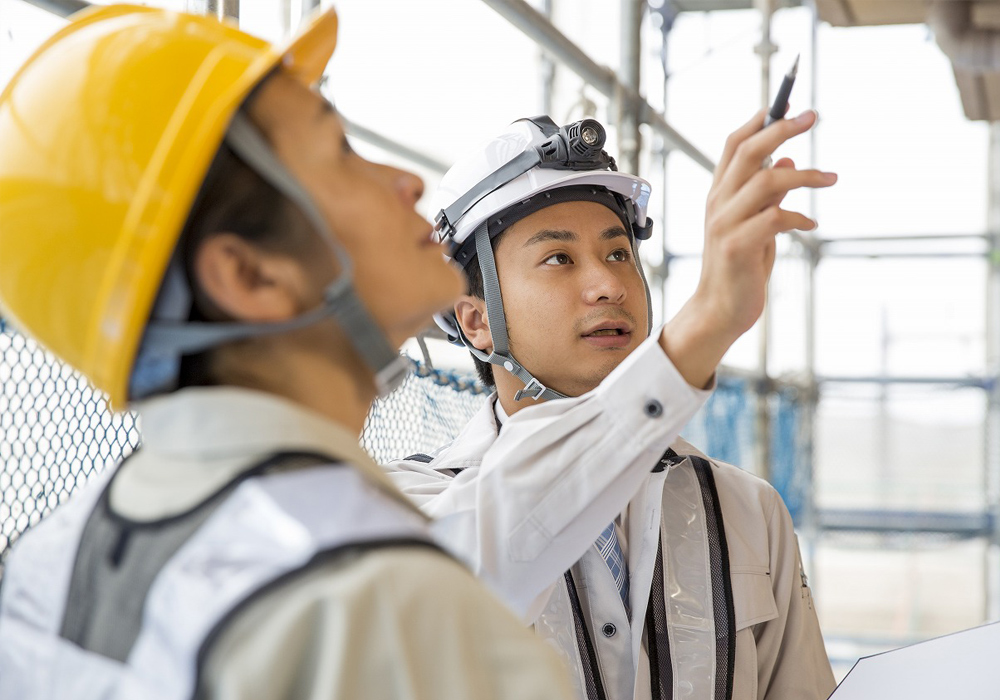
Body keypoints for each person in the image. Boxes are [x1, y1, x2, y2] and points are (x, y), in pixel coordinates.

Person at [0, 6, 574, 699]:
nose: (408, 181)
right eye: (340, 151)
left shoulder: (47, 563)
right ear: (251, 276)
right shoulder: (384, 614)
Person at [387, 114, 839, 700]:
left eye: (620, 254)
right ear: (476, 321)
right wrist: (705, 325)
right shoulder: (410, 506)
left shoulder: (746, 510)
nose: (608, 285)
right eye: (559, 259)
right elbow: (493, 552)